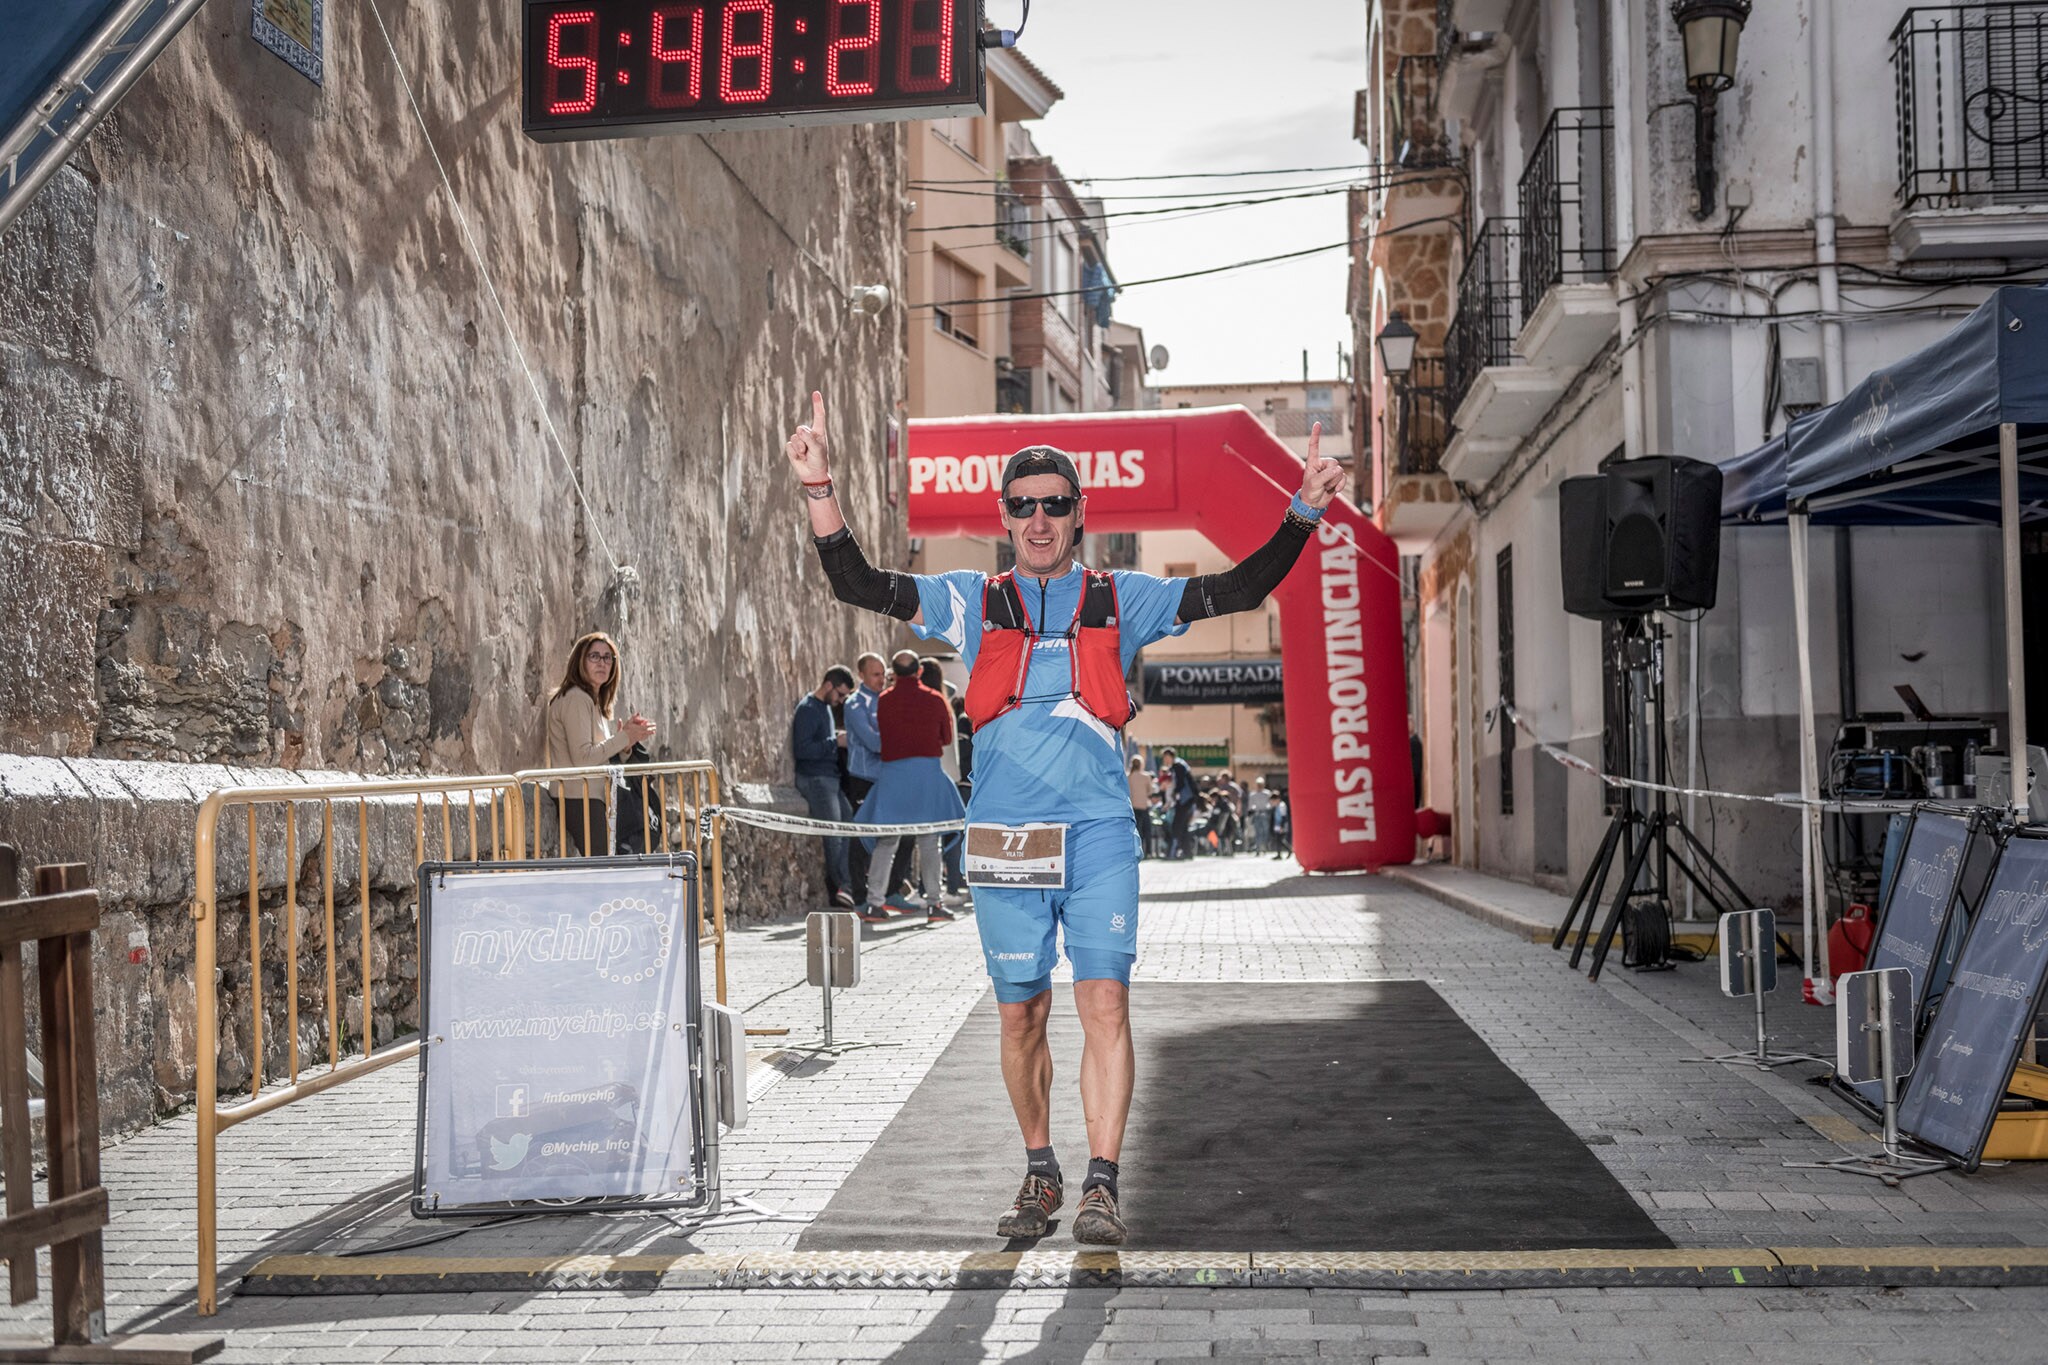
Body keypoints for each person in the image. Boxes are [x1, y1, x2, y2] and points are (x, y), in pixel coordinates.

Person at [784, 390, 1344, 1247]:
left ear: (1080, 513)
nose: (1039, 518)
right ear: (1002, 516)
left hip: (1098, 835)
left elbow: (1239, 587)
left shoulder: (1125, 597)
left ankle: (1102, 1185)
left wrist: (1302, 510)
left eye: (1054, 504)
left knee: (1106, 1001)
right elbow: (857, 580)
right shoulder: (969, 598)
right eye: (1023, 505)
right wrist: (820, 484)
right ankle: (1041, 1170)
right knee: (1020, 1016)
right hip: (1006, 837)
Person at [858, 650, 968, 924]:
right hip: (926, 774)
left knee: (887, 840)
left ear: (894, 673)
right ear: (919, 672)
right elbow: (945, 738)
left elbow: (884, 734)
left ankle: (874, 904)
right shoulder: (935, 699)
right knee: (930, 841)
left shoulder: (884, 700)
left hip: (893, 775)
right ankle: (934, 905)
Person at [542, 632, 655, 855]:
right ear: (580, 661)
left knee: (608, 866)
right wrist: (623, 737)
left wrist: (625, 744)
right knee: (605, 867)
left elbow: (600, 756)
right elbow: (584, 758)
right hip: (578, 797)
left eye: (608, 657)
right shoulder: (576, 698)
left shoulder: (594, 702)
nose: (602, 663)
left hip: (592, 797)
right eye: (594, 656)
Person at [792, 665, 859, 909]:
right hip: (816, 778)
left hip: (830, 778)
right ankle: (841, 888)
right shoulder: (809, 709)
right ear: (829, 685)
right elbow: (803, 750)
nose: (841, 701)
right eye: (840, 694)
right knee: (834, 834)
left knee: (849, 827)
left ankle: (846, 884)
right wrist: (836, 742)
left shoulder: (825, 709)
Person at [843, 652, 887, 900]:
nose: (881, 679)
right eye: (876, 674)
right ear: (861, 675)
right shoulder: (855, 704)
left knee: (894, 835)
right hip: (863, 777)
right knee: (861, 835)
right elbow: (873, 742)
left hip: (887, 777)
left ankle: (887, 890)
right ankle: (858, 893)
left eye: (884, 674)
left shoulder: (888, 700)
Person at [1161, 747, 1197, 860]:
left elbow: (1181, 782)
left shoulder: (1177, 766)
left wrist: (1174, 793)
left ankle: (1174, 851)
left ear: (1172, 757)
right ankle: (1187, 852)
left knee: (1177, 826)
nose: (1166, 760)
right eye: (1164, 758)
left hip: (1184, 800)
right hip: (1187, 800)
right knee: (1183, 826)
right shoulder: (1180, 764)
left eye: (1167, 757)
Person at [1126, 756, 1155, 859]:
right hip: (1144, 806)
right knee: (1147, 830)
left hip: (1133, 808)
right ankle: (1149, 852)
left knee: (1137, 831)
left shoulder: (1128, 777)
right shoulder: (1146, 776)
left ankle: (1137, 851)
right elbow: (1150, 792)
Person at [1246, 776, 1273, 854]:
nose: (1259, 785)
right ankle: (1258, 848)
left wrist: (1267, 808)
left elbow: (1270, 803)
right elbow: (1250, 805)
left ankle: (1264, 847)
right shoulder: (1253, 794)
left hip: (1265, 814)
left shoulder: (1267, 793)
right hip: (1257, 814)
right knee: (1258, 832)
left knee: (1265, 832)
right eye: (1258, 784)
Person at [1270, 792, 1292, 860]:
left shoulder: (1282, 805)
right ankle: (1279, 854)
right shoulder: (1276, 806)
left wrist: (1282, 826)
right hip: (1277, 825)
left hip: (1282, 825)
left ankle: (1289, 849)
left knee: (1280, 840)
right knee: (1278, 840)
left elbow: (1284, 816)